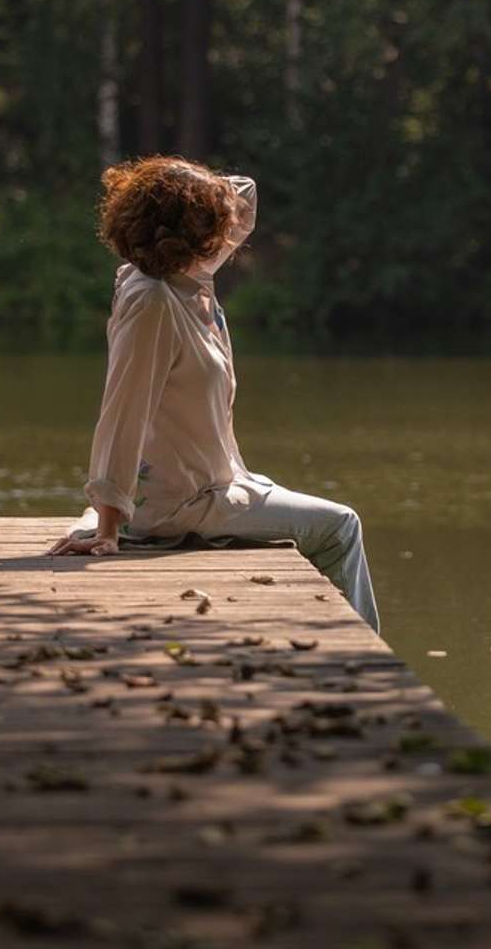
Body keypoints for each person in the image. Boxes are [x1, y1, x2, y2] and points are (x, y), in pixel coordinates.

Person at [48, 156, 380, 633]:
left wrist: (187, 187)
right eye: (214, 225)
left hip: (211, 482)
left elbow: (244, 193)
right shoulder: (154, 301)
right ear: (191, 233)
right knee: (341, 526)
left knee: (328, 525)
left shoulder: (188, 281)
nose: (229, 237)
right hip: (184, 499)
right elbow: (123, 412)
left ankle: (340, 642)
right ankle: (367, 659)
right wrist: (107, 525)